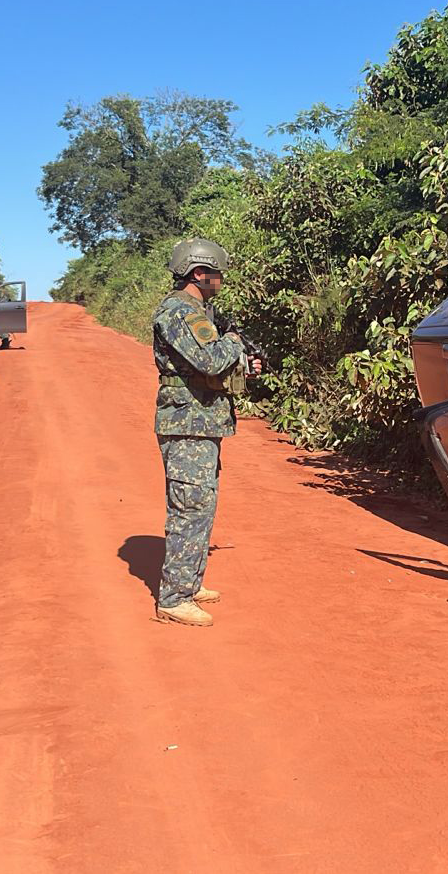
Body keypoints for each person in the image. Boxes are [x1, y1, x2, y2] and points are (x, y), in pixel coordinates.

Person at [151, 237, 251, 626]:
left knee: (201, 505)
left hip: (200, 423)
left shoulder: (197, 311)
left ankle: (188, 585)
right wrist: (233, 342)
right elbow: (209, 360)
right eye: (217, 274)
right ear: (199, 273)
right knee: (189, 508)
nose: (221, 280)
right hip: (187, 425)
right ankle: (174, 598)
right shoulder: (179, 312)